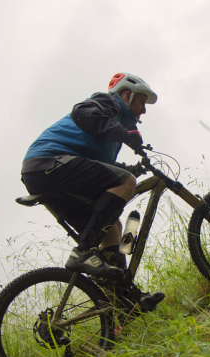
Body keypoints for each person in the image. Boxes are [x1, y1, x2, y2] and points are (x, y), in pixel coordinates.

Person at [20, 72, 164, 309]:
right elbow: (82, 112)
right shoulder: (107, 104)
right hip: (48, 163)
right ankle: (82, 253)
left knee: (113, 228)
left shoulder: (111, 130)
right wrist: (125, 137)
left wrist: (129, 169)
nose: (144, 110)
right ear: (126, 95)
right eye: (141, 102)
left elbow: (94, 166)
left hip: (47, 173)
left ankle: (125, 301)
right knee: (125, 183)